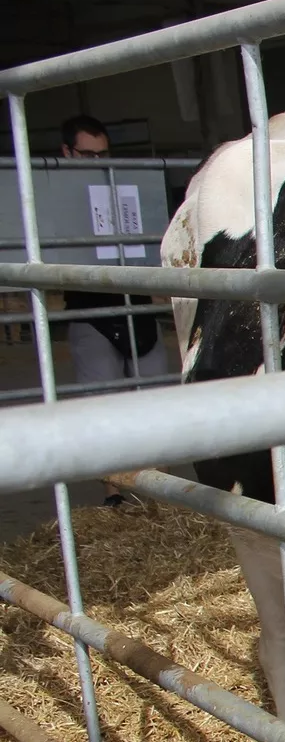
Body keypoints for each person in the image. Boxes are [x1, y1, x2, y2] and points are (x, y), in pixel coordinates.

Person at [58, 114, 173, 503]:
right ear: (67, 152)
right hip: (91, 314)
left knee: (155, 401)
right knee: (103, 407)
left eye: (103, 154)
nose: (97, 162)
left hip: (137, 308)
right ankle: (115, 498)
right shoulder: (52, 198)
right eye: (87, 154)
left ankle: (160, 497)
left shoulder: (128, 188)